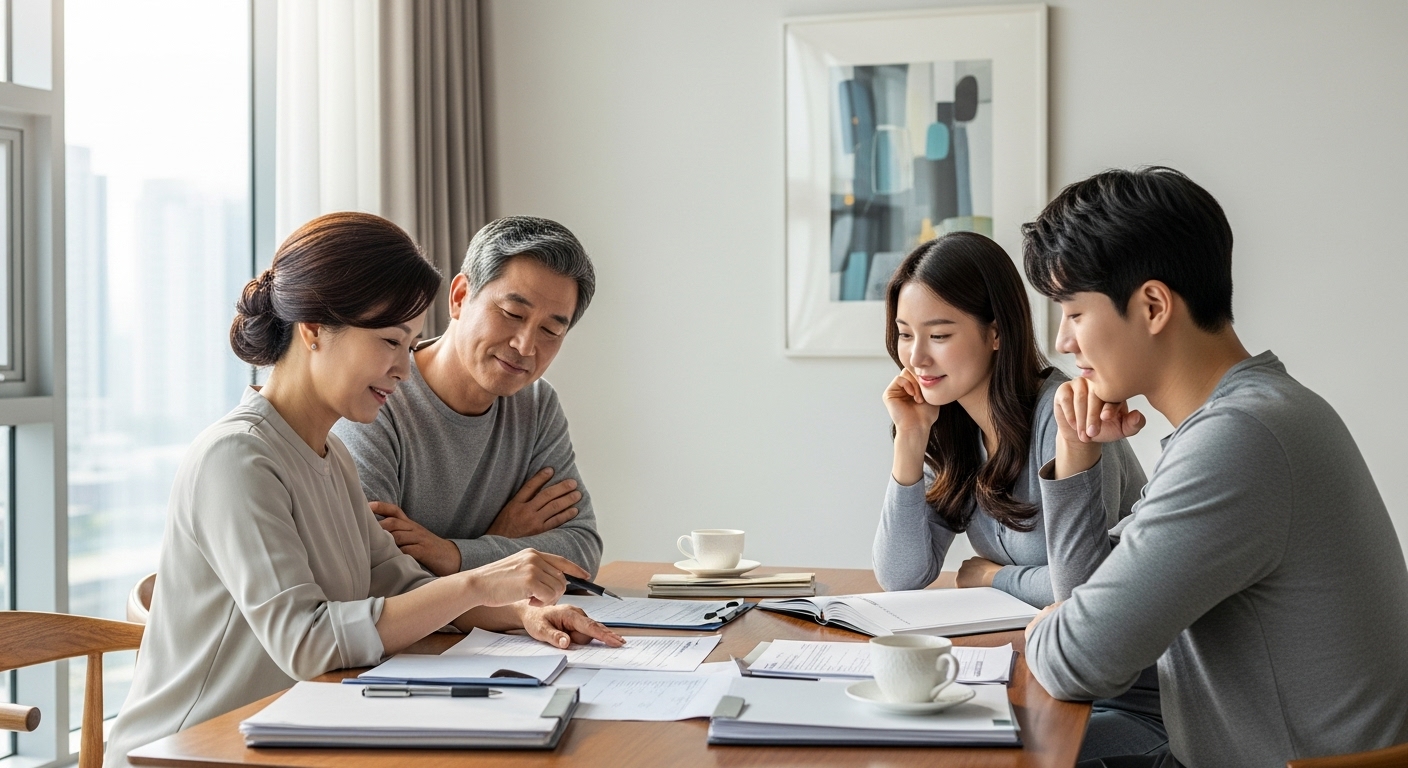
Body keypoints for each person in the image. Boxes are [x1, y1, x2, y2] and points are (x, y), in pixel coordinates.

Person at [103, 213, 623, 768]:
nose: (403, 369)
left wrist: (519, 613)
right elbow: (307, 642)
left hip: (289, 732)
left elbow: (401, 585)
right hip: (191, 750)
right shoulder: (236, 458)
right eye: (389, 342)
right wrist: (477, 579)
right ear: (314, 329)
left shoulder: (332, 457)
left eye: (408, 345)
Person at [1020, 167, 1408, 768]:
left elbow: (1082, 662)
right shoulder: (1253, 415)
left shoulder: (1239, 440)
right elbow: (1093, 609)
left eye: (1072, 312)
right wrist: (1076, 454)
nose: (1064, 342)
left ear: (1152, 306)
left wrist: (1051, 624)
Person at [872, 231, 1162, 760]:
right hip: (1047, 683)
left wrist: (992, 576)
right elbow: (901, 576)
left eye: (938, 334)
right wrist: (910, 440)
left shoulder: (1067, 417)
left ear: (997, 333)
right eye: (904, 333)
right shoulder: (954, 426)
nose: (914, 356)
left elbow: (1093, 592)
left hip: (1130, 704)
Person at [334, 216, 602, 577]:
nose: (525, 346)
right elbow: (375, 568)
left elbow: (581, 549)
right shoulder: (378, 398)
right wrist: (500, 540)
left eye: (551, 330)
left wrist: (454, 554)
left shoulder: (536, 405)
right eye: (512, 314)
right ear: (460, 297)